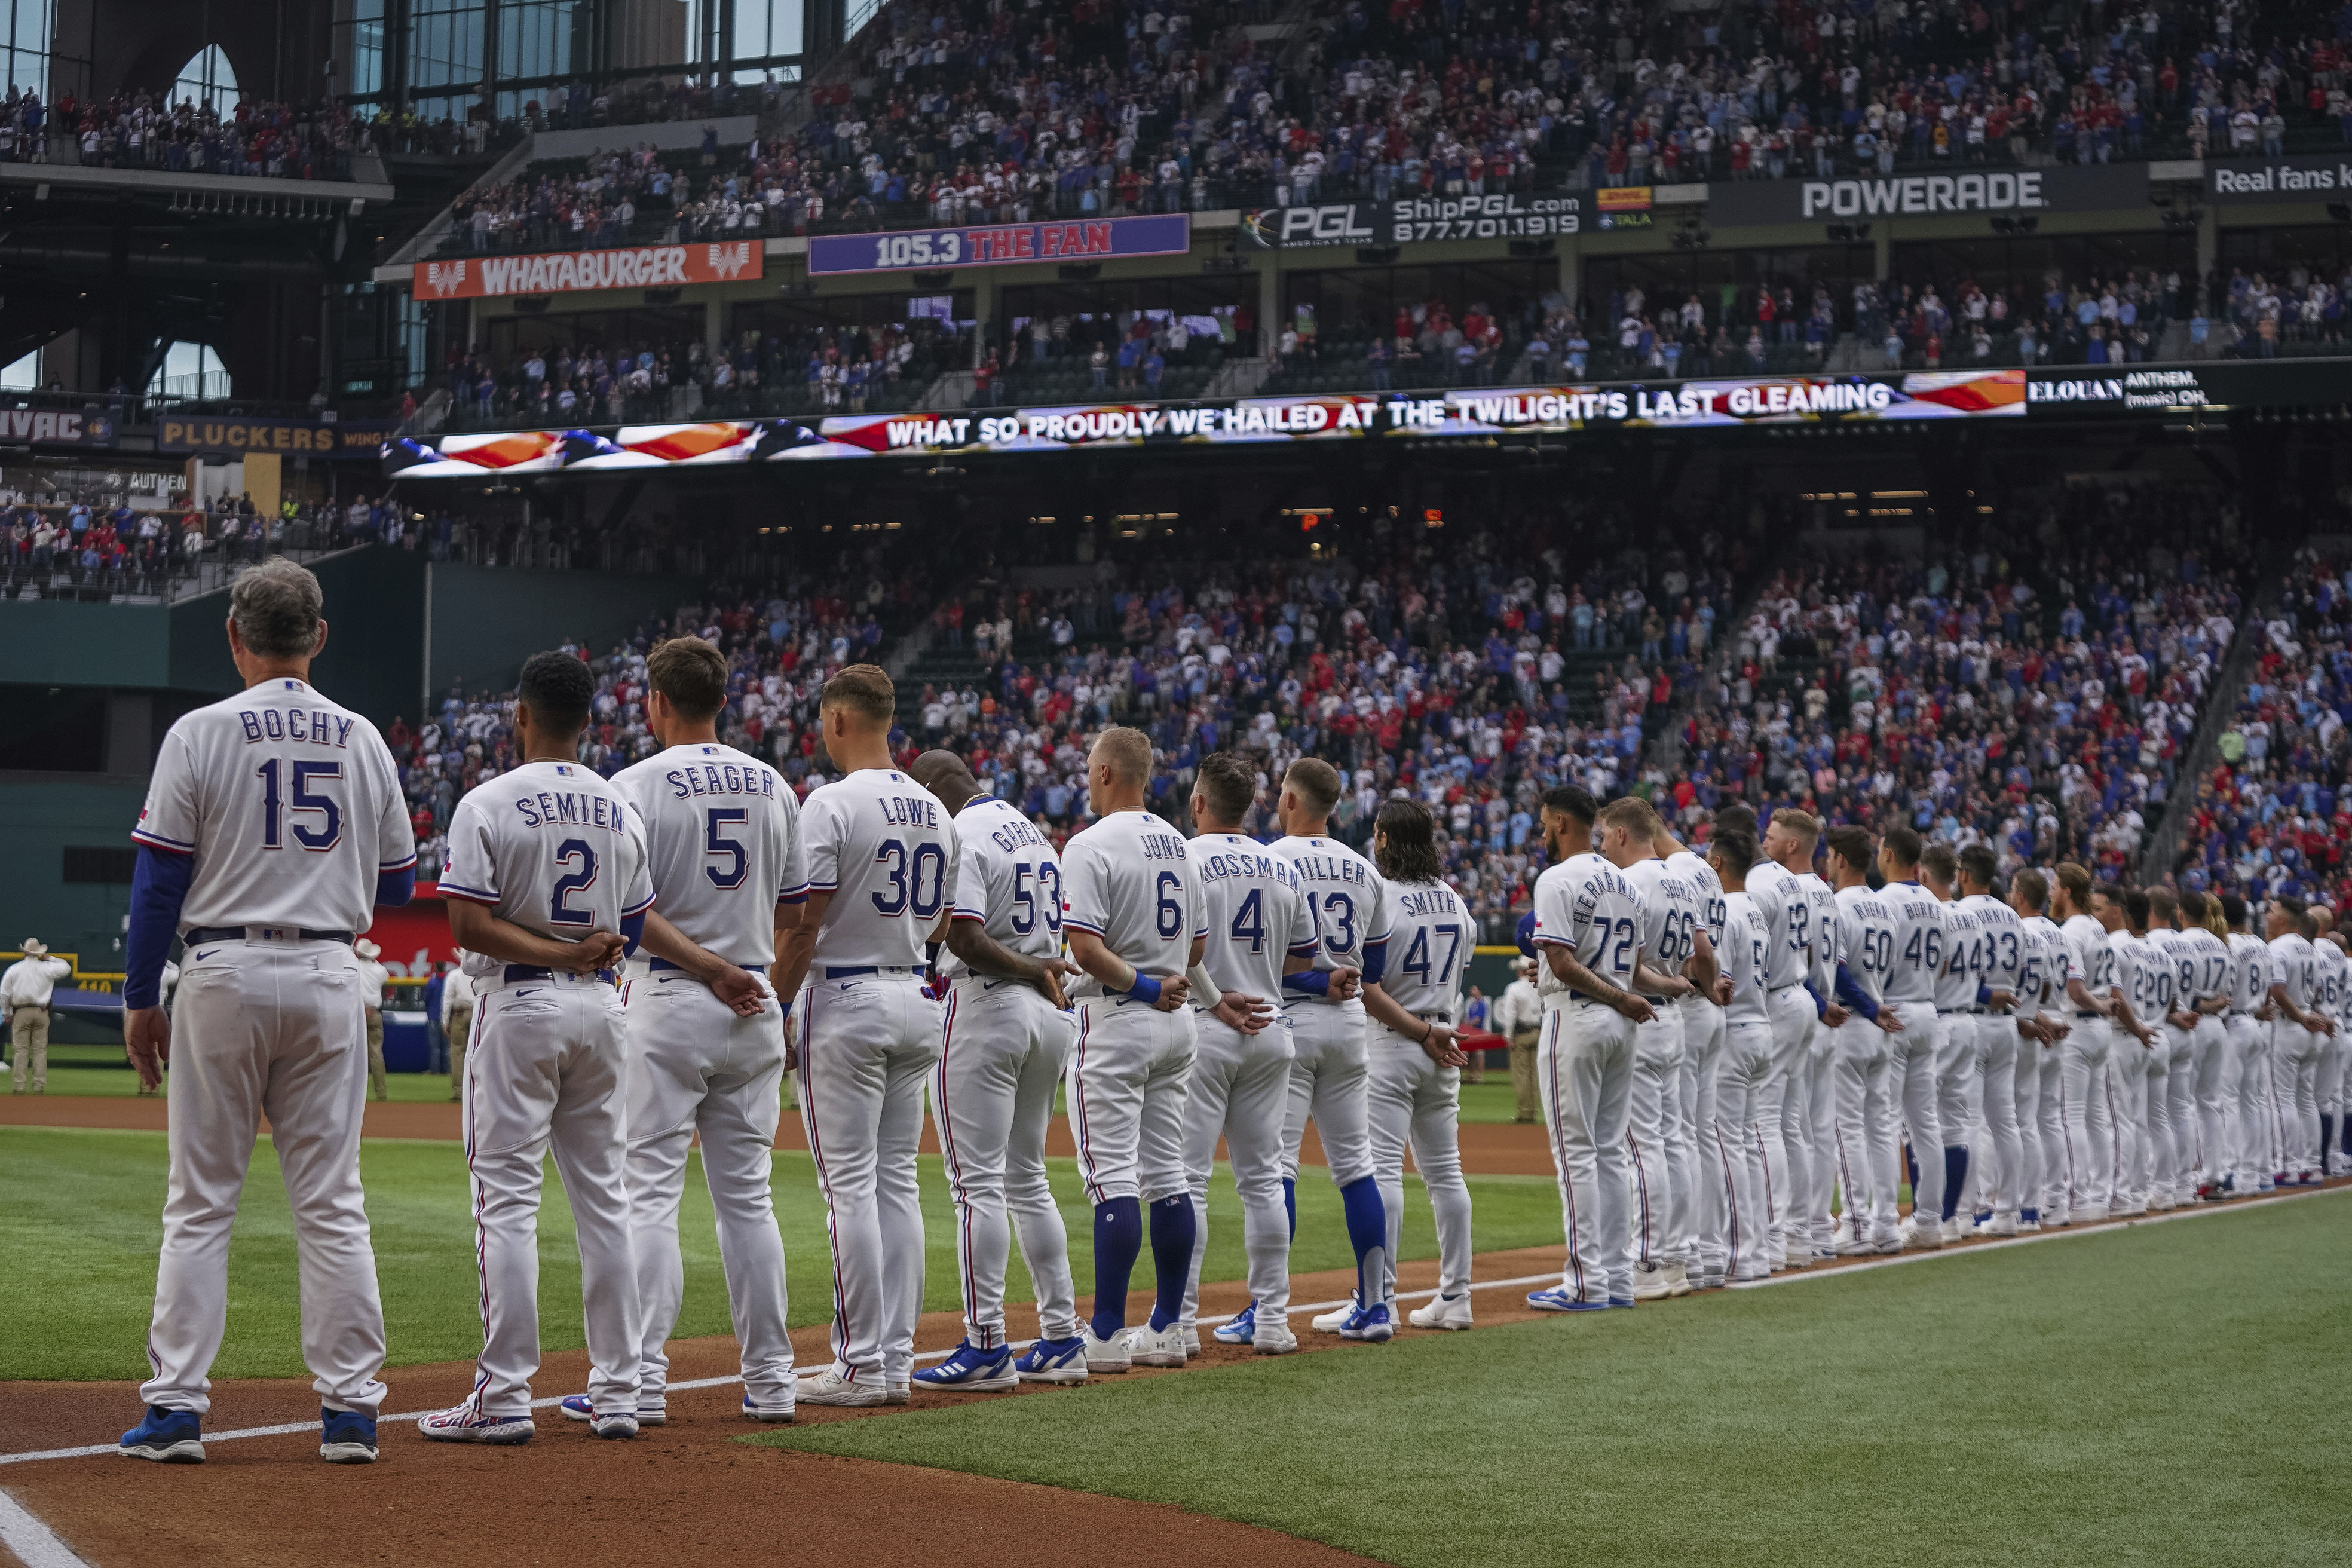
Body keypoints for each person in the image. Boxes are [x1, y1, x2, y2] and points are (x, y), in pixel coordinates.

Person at [118, 556, 416, 1466]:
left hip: (222, 967)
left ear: (234, 637)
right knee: (332, 1203)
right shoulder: (363, 736)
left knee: (202, 1201)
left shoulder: (200, 731)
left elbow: (161, 875)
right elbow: (400, 882)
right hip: (329, 970)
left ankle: (175, 1411)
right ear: (318, 637)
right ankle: (353, 1414)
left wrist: (139, 997)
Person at [420, 651, 653, 1446]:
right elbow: (635, 924)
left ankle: (506, 1397)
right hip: (604, 1010)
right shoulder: (620, 806)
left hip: (520, 1003)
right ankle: (621, 1393)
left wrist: (555, 953)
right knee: (606, 1203)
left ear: (520, 715)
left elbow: (467, 926)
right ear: (588, 721)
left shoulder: (488, 799)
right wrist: (585, 953)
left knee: (508, 1206)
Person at [574, 635, 807, 1426]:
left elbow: (628, 914)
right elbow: (796, 917)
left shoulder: (632, 785)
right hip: (754, 1003)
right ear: (722, 699)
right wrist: (758, 988)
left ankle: (637, 1381)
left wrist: (708, 968)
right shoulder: (775, 785)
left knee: (647, 1198)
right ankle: (774, 1382)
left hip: (668, 999)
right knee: (749, 1204)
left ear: (657, 701)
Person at [776, 664, 958, 1407]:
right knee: (896, 1183)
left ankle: (858, 1365)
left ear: (840, 719)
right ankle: (894, 1361)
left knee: (848, 1185)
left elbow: (804, 919)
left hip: (846, 993)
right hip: (916, 988)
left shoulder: (830, 802)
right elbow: (945, 923)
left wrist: (772, 1003)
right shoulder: (937, 810)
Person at [904, 748, 1087, 1389]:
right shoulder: (1029, 826)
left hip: (989, 1001)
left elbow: (965, 936)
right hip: (1045, 1012)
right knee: (1026, 1178)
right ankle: (1062, 1336)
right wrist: (1038, 968)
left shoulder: (961, 832)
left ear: (933, 788)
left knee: (974, 1183)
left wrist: (1030, 968)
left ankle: (986, 1344)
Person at [1058, 725, 1204, 1372]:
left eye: (1092, 768)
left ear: (1110, 771)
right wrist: (1161, 974)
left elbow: (1085, 948)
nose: (1088, 778)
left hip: (1119, 1012)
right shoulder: (1178, 842)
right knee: (1167, 1173)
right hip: (1177, 1018)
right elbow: (1197, 947)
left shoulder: (1089, 844)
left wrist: (1142, 982)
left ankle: (1108, 1333)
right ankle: (1169, 1326)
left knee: (1112, 1174)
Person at [1177, 752, 1321, 1359]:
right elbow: (1304, 958)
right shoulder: (1278, 863)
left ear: (1200, 801)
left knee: (1186, 1179)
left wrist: (1217, 989)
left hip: (1207, 1027)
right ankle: (1273, 1320)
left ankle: (1179, 1321)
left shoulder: (1183, 856)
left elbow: (1178, 947)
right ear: (1254, 804)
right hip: (1270, 1024)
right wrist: (1256, 972)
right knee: (1263, 1180)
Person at [1526, 784, 1677, 1311]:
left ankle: (1584, 1282)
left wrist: (1622, 997)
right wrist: (1641, 995)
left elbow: (1565, 966)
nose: (1543, 832)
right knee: (1612, 1153)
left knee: (1576, 1157)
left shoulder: (1556, 879)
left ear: (1563, 823)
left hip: (1578, 1016)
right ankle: (1615, 1279)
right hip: (1620, 1023)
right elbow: (1636, 970)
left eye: (1546, 823)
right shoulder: (1625, 883)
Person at [1267, 759, 1391, 1345]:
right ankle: (1375, 1305)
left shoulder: (1271, 859)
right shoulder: (1365, 868)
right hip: (1349, 1024)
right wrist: (1334, 977)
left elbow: (1257, 957)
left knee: (1278, 1167)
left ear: (1290, 799)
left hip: (1290, 1019)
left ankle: (1266, 1308)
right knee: (1357, 1165)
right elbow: (1377, 968)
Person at [1356, 797, 1477, 1328]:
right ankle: (1457, 1297)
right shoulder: (1454, 900)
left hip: (1395, 1040)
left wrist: (1420, 1030)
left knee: (1383, 1171)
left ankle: (1377, 1298)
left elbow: (1367, 987)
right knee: (1446, 1174)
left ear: (1383, 839)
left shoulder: (1380, 894)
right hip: (1441, 1039)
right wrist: (1433, 1029)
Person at [1601, 796, 1699, 1298]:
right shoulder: (1684, 879)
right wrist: (1681, 984)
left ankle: (1645, 1265)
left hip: (1642, 1012)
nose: (1601, 846)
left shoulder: (1628, 882)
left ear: (1621, 834)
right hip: (1675, 1017)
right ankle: (1677, 1260)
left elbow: (1629, 967)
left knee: (1642, 1147)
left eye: (1604, 836)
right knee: (1674, 1140)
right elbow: (1698, 959)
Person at [1822, 827, 1906, 1255]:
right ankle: (1887, 1225)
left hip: (1854, 1022)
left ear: (1839, 859)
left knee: (1849, 1130)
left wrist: (1870, 1009)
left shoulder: (1837, 905)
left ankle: (1856, 1226)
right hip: (1880, 1021)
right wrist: (1878, 1008)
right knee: (1881, 1130)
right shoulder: (1885, 907)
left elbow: (1838, 974)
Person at [1742, 806, 1818, 1269]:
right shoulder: (1796, 883)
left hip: (1775, 999)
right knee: (1793, 1124)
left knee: (1765, 1123)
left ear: (1790, 842)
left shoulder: (1761, 881)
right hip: (1801, 995)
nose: (1765, 843)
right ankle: (1798, 1234)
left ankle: (1772, 1239)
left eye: (1771, 837)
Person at [1658, 822, 1731, 1285]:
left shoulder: (1675, 870)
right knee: (1704, 1134)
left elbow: (1698, 948)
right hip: (1711, 1010)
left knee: (1680, 1134)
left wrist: (1703, 983)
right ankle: (1709, 1252)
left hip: (1689, 1004)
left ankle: (1687, 1253)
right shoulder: (1707, 870)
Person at [1707, 826, 1775, 1283]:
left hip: (1735, 1032)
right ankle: (1756, 1249)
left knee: (1728, 1144)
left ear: (1717, 864)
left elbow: (1721, 985)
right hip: (1762, 1029)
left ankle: (1740, 1253)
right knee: (1748, 1144)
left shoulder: (1725, 910)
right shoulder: (1754, 908)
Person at [1879, 829, 1947, 1250]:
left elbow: (1878, 963)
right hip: (1928, 1009)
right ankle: (1930, 1222)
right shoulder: (1935, 904)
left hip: (1895, 1010)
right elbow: (1939, 967)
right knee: (1927, 1124)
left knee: (1886, 1121)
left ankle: (1885, 1222)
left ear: (1888, 855)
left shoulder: (1884, 901)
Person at [1955, 844, 2028, 1236]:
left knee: (1969, 1120)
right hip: (2008, 1023)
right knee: (2005, 1122)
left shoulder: (1960, 912)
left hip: (1975, 1018)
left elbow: (1954, 971)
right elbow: (2029, 973)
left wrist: (1984, 994)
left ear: (1964, 874)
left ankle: (1965, 1215)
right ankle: (2007, 1214)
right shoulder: (2013, 916)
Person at [2048, 864, 2117, 1225]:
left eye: (2056, 886)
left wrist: (2100, 1005)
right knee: (2097, 1117)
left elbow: (2075, 989)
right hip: (2101, 1029)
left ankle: (2079, 1195)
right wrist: (2107, 1006)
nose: (2052, 892)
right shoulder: (2099, 928)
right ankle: (2102, 1192)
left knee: (2071, 1115)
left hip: (2079, 1024)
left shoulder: (2072, 929)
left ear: (2068, 893)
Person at [1921, 844, 1980, 1242]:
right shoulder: (1971, 916)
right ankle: (1952, 1216)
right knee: (1957, 1125)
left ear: (1925, 876)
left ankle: (1931, 1216)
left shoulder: (1934, 912)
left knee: (1922, 1122)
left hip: (1939, 1019)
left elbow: (1935, 965)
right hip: (1968, 1020)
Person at [2265, 896, 2331, 1187]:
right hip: (2308, 1027)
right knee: (2306, 1100)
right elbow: (2316, 992)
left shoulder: (2278, 947)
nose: (2268, 915)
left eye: (2272, 911)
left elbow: (2278, 992)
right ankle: (2312, 1165)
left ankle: (2287, 1165)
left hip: (2289, 1027)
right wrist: (2310, 1017)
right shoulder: (2311, 949)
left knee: (2283, 1101)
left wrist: (2301, 1018)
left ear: (2283, 919)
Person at [2218, 894, 2273, 1195]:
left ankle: (2233, 1173)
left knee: (2228, 1101)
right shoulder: (2261, 945)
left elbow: (2226, 991)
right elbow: (2269, 996)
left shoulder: (2229, 944)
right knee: (2252, 1101)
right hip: (2255, 1023)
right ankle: (2255, 1175)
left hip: (2235, 1023)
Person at [3, 937, 69, 1094]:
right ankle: (39, 1086)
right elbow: (66, 967)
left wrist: (7, 1013)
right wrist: (49, 958)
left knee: (21, 1050)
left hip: (21, 1012)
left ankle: (19, 1087)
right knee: (40, 1051)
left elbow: (4, 994)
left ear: (25, 952)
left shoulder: (14, 969)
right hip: (41, 1012)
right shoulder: (47, 968)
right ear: (39, 953)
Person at [1493, 957, 1544, 1121]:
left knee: (1521, 1076)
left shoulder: (1514, 988)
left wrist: (1508, 1036)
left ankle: (1526, 1113)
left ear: (1520, 970)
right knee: (1535, 1076)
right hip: (1539, 1032)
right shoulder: (1540, 987)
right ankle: (1534, 1111)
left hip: (1521, 1035)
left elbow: (1510, 1014)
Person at [354, 938, 391, 1101]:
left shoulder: (353, 966)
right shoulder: (380, 969)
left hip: (356, 1014)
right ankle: (381, 1092)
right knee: (376, 1053)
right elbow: (386, 977)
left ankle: (352, 1093)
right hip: (374, 1013)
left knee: (352, 1055)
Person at [439, 956, 477, 1102]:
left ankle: (458, 1092)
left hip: (459, 1014)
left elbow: (447, 998)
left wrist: (445, 1021)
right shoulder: (478, 974)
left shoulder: (454, 975)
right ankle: (475, 1092)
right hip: (476, 1013)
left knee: (457, 1052)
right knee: (477, 1054)